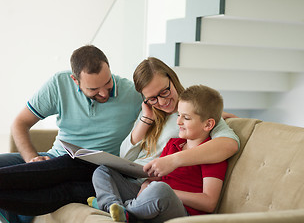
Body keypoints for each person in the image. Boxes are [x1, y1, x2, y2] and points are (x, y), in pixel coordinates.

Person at [0, 45, 142, 222]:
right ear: (75, 80)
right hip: (54, 158)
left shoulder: (133, 94)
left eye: (108, 83)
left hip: (95, 170)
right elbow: (20, 123)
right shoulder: (59, 84)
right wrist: (31, 158)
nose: (104, 93)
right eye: (94, 89)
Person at [92, 85, 228, 222]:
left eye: (186, 118)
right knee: (103, 170)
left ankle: (123, 210)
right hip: (151, 200)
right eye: (179, 115)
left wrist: (169, 193)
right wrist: (146, 184)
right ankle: (112, 206)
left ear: (208, 125)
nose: (178, 121)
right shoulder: (173, 144)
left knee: (161, 190)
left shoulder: (212, 154)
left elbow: (209, 202)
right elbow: (156, 176)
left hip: (180, 211)